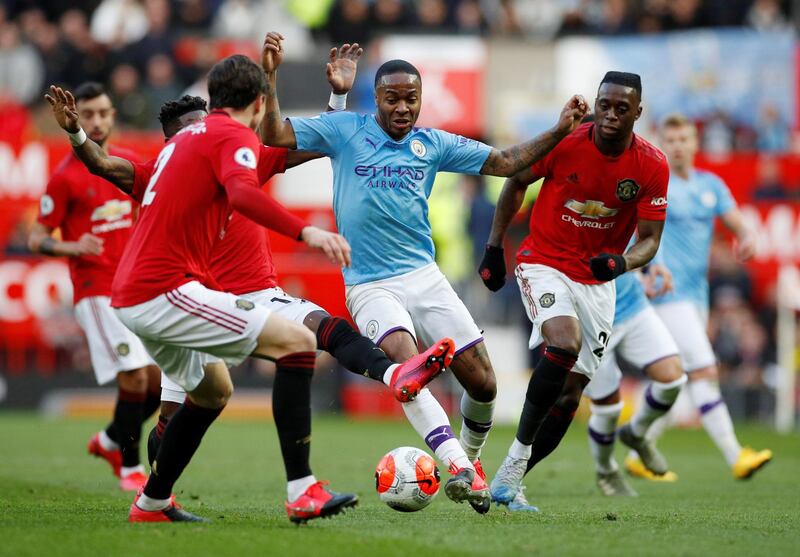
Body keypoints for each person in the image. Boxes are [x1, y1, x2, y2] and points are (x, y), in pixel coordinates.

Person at [47, 44, 455, 521]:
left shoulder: (184, 153)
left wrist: (75, 130)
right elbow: (238, 190)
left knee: (221, 388)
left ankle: (152, 499)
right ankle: (301, 488)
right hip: (177, 293)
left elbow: (303, 144)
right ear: (255, 102)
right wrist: (307, 232)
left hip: (184, 295)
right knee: (295, 346)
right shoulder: (215, 141)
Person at [258, 31, 588, 513]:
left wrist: (559, 130)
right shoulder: (347, 130)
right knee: (408, 369)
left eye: (411, 99)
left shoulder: (433, 143)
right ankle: (458, 465)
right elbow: (273, 137)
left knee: (485, 385)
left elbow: (503, 162)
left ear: (420, 100)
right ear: (378, 99)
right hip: (370, 284)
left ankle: (470, 464)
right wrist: (270, 76)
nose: (403, 108)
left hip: (424, 276)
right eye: (393, 99)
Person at [479, 71, 669, 512]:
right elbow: (516, 180)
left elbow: (650, 240)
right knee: (564, 343)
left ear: (637, 113)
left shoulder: (651, 165)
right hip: (542, 262)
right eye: (605, 105)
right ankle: (503, 471)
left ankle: (511, 475)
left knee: (570, 393)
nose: (610, 115)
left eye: (622, 108)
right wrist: (494, 248)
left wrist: (621, 263)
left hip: (598, 282)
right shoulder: (566, 141)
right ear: (597, 103)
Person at [625, 113, 772, 481]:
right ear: (662, 143)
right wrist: (649, 268)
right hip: (666, 294)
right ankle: (736, 455)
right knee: (704, 370)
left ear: (694, 143)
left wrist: (749, 238)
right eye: (670, 140)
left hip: (696, 296)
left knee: (671, 377)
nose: (677, 146)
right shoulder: (657, 183)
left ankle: (638, 446)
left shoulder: (711, 185)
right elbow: (639, 232)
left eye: (684, 139)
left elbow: (738, 222)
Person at [29, 82, 159, 493]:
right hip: (96, 289)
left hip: (136, 288)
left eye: (103, 113)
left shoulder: (128, 163)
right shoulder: (65, 178)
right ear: (75, 119)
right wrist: (72, 244)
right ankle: (129, 467)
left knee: (157, 382)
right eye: (88, 115)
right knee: (135, 378)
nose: (97, 121)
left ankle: (107, 440)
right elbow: (36, 238)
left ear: (114, 115)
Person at [583, 265, 686, 496]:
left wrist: (651, 267)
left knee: (673, 378)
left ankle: (636, 432)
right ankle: (606, 470)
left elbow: (645, 234)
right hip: (590, 313)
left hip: (632, 305)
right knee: (607, 409)